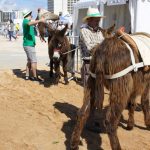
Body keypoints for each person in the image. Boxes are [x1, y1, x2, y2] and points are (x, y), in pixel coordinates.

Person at [79, 7, 105, 87]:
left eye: (98, 20)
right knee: (89, 90)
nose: (98, 22)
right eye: (96, 20)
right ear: (89, 20)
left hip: (100, 63)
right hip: (89, 63)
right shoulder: (84, 31)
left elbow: (103, 43)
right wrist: (103, 46)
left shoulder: (99, 31)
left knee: (99, 89)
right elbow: (91, 47)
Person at [22, 10, 45, 82]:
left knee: (29, 60)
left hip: (28, 44)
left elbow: (34, 23)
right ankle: (35, 77)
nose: (31, 16)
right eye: (31, 14)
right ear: (28, 15)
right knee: (34, 61)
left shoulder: (28, 21)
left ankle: (27, 76)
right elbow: (30, 23)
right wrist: (40, 20)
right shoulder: (25, 21)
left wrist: (39, 14)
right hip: (29, 45)